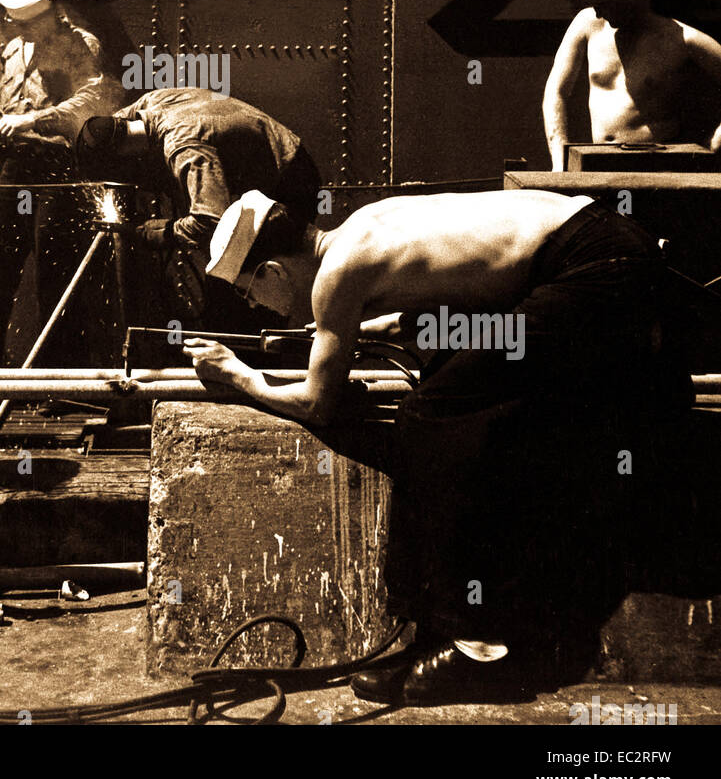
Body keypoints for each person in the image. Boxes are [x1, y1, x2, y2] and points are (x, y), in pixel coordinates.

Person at [182, 186, 689, 705]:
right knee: (451, 397)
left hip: (594, 272)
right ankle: (434, 632)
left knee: (431, 420)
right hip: (608, 245)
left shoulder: (334, 277)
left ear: (271, 272)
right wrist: (375, 323)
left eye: (249, 292)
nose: (254, 303)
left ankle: (479, 648)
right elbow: (472, 277)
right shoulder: (360, 227)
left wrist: (238, 376)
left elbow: (318, 403)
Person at [0, 0, 122, 367]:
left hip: (60, 170)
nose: (23, 31)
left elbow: (94, 102)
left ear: (52, 14)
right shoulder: (14, 51)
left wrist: (34, 120)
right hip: (13, 170)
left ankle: (58, 383)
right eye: (18, 24)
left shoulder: (81, 48)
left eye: (29, 24)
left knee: (56, 277)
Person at [543, 0, 721, 169]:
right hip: (598, 167)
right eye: (594, 4)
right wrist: (560, 162)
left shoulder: (682, 38)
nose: (599, 12)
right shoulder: (587, 24)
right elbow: (555, 92)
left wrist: (716, 141)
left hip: (658, 171)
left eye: (605, 3)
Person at [76, 88, 320, 254]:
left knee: (245, 284)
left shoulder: (185, 149)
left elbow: (211, 223)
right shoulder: (150, 103)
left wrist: (154, 232)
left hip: (289, 181)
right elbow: (110, 129)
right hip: (274, 152)